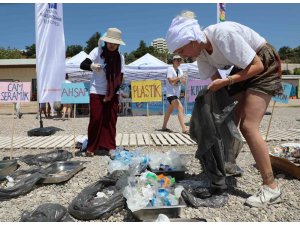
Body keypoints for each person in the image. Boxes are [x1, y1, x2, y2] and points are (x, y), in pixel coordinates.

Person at [166, 10, 283, 208]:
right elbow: (219, 91)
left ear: (192, 40)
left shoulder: (222, 35)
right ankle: (226, 163)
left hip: (263, 61)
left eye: (182, 50)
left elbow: (257, 65)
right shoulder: (201, 56)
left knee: (248, 126)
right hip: (243, 67)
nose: (182, 56)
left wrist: (227, 80)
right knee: (227, 116)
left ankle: (271, 187)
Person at [80, 27, 125, 157]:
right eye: (110, 42)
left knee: (111, 120)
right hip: (96, 90)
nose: (112, 45)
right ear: (105, 41)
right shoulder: (97, 51)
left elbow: (119, 78)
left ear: (118, 44)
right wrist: (92, 66)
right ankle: (92, 147)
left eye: (114, 43)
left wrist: (111, 95)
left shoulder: (120, 57)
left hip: (112, 93)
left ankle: (110, 147)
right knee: (96, 118)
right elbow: (83, 64)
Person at [161, 55, 189, 134]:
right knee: (180, 108)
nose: (179, 61)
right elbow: (170, 81)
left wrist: (184, 80)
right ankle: (184, 129)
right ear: (173, 61)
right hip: (170, 93)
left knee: (169, 111)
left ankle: (163, 127)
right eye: (177, 60)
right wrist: (180, 78)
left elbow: (181, 81)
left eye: (180, 60)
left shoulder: (180, 70)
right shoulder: (170, 69)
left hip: (176, 94)